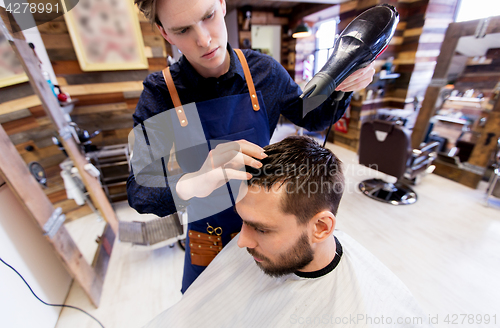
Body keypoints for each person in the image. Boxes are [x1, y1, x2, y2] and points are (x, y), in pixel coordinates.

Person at [127, 0, 376, 293]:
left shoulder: (264, 72)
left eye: (208, 17)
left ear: (221, 4)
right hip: (209, 234)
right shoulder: (161, 94)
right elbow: (139, 190)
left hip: (272, 227)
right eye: (182, 30)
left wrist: (343, 84)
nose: (204, 39)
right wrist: (197, 180)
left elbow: (314, 117)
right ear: (164, 33)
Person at [144, 136, 432, 328]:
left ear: (321, 227)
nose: (241, 241)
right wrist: (187, 184)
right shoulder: (262, 251)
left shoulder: (359, 313)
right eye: (244, 221)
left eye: (261, 229)